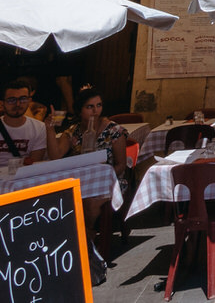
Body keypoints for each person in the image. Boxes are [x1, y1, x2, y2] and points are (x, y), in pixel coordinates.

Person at [45, 86, 129, 244]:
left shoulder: (114, 130)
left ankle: (87, 240)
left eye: (99, 105)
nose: (95, 111)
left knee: (90, 202)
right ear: (79, 110)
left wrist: (103, 176)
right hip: (81, 182)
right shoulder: (73, 132)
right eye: (89, 107)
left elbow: (121, 165)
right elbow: (55, 156)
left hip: (110, 182)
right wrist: (49, 129)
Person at [1, 79, 47, 163]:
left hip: (24, 173)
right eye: (12, 100)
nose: (18, 104)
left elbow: (35, 164)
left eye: (23, 99)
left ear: (29, 101)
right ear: (2, 103)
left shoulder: (39, 128)